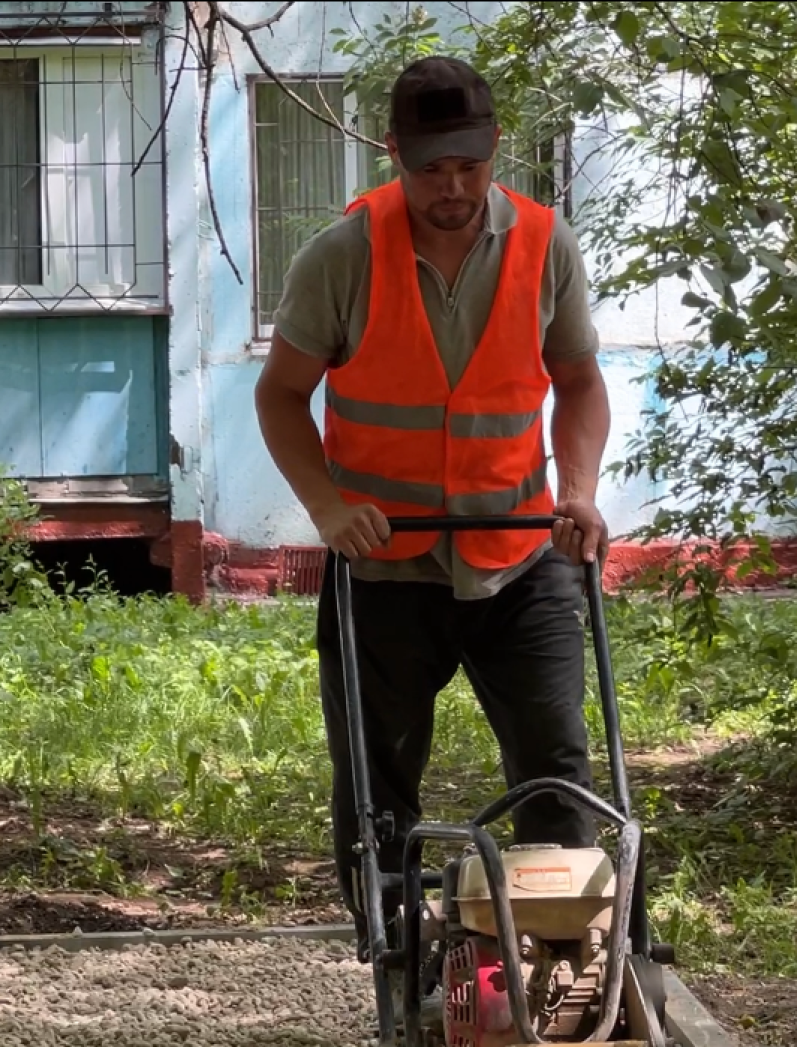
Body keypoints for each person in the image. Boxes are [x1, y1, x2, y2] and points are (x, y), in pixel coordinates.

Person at [253, 53, 615, 957]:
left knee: (556, 765)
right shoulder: (342, 255)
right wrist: (329, 508)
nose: (451, 187)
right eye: (430, 169)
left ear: (494, 147)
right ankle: (395, 950)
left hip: (520, 555)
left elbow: (577, 382)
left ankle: (567, 955)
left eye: (469, 164)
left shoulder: (543, 243)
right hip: (384, 567)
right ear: (394, 154)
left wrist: (577, 495)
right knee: (377, 776)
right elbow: (279, 396)